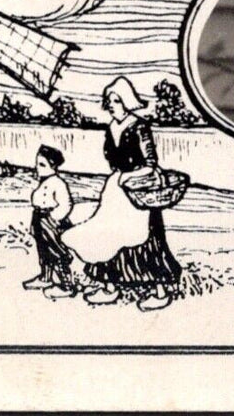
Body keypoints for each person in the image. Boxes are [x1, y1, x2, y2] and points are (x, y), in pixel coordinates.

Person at [59, 77, 182, 310]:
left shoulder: (139, 126)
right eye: (109, 101)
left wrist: (129, 177)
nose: (111, 105)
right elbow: (112, 161)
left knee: (147, 240)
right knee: (109, 236)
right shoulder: (110, 128)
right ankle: (111, 286)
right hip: (115, 192)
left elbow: (150, 164)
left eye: (115, 100)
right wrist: (118, 179)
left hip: (138, 190)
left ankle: (160, 289)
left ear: (127, 102)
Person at [22, 145, 74, 291]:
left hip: (51, 222)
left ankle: (67, 285)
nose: (37, 168)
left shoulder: (58, 183)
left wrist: (54, 219)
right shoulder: (44, 182)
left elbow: (66, 204)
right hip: (39, 219)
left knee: (57, 252)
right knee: (43, 250)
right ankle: (45, 277)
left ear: (53, 166)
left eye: (42, 164)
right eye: (37, 164)